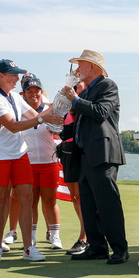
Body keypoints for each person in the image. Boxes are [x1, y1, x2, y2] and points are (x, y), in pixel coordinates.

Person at [0, 59, 62, 263]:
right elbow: (14, 126)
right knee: (1, 200)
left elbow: (37, 116)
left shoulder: (15, 98)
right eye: (13, 74)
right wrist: (43, 119)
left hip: (19, 154)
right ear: (1, 76)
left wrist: (61, 101)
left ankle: (28, 248)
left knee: (26, 199)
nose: (17, 78)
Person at [59, 50, 128, 264]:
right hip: (86, 153)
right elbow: (82, 123)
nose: (77, 69)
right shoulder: (88, 91)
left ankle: (120, 249)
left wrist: (75, 99)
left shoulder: (108, 86)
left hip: (103, 153)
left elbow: (100, 113)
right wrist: (60, 128)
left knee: (107, 202)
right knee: (88, 203)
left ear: (92, 67)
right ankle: (97, 247)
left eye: (80, 65)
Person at [11, 75, 63, 249]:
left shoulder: (51, 109)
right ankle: (31, 236)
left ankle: (54, 236)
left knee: (50, 201)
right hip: (28, 163)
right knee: (30, 201)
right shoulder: (18, 111)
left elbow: (61, 131)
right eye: (29, 91)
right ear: (23, 93)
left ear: (41, 92)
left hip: (49, 161)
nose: (34, 94)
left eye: (37, 91)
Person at [58, 80, 88, 255]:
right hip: (67, 150)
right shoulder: (68, 101)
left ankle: (84, 237)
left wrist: (76, 98)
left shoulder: (83, 100)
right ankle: (86, 235)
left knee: (82, 197)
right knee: (75, 197)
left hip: (81, 151)